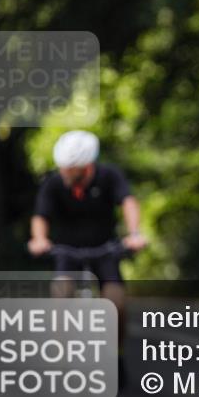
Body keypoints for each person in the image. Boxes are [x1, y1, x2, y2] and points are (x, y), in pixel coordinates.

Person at [28, 130, 147, 349]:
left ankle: (118, 352)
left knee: (116, 303)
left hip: (105, 250)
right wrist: (39, 239)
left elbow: (128, 202)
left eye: (69, 168)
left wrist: (134, 234)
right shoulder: (54, 183)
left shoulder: (109, 176)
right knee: (60, 298)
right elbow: (40, 216)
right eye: (62, 167)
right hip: (67, 252)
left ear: (86, 166)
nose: (63, 172)